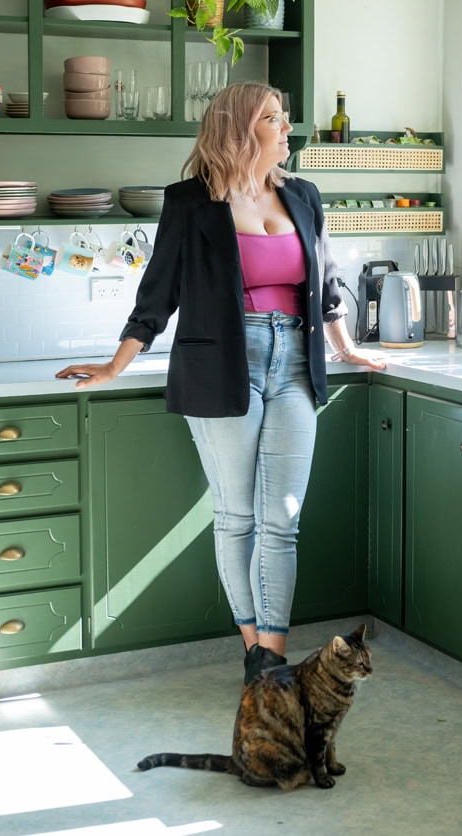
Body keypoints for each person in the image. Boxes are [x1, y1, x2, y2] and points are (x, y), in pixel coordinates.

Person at [56, 81, 387, 684]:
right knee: (238, 515)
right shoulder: (190, 202)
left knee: (282, 516)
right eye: (273, 119)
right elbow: (157, 296)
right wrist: (113, 365)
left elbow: (329, 288)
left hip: (294, 363)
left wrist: (348, 351)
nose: (287, 128)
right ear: (241, 129)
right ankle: (255, 650)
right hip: (221, 364)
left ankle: (273, 657)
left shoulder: (306, 196)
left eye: (285, 118)